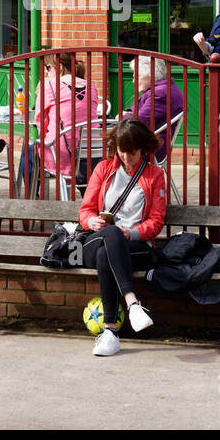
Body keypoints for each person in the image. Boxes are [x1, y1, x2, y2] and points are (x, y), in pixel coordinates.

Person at [77, 118, 167, 357]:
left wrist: (133, 232)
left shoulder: (155, 175)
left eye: (133, 152)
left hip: (134, 245)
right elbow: (85, 210)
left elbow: (156, 221)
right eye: (122, 151)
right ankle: (132, 304)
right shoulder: (103, 169)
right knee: (110, 235)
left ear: (143, 148)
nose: (127, 157)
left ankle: (110, 333)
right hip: (96, 240)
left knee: (109, 250)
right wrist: (91, 221)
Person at [20, 51, 102, 196]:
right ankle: (88, 198)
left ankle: (32, 199)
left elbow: (40, 122)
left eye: (47, 67)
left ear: (58, 67)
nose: (46, 72)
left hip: (61, 152)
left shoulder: (49, 87)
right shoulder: (91, 86)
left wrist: (44, 138)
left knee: (28, 150)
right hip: (91, 151)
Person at [122, 56, 184, 162]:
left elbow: (139, 123)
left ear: (150, 76)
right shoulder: (162, 89)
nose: (133, 81)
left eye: (136, 76)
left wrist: (124, 116)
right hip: (148, 141)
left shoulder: (160, 93)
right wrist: (129, 113)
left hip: (150, 146)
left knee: (103, 145)